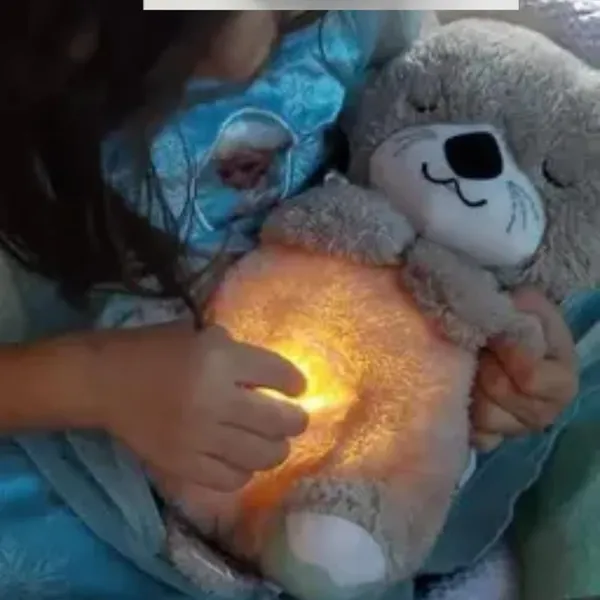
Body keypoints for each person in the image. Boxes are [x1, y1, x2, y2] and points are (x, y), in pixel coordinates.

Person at [0, 7, 578, 599]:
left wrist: (512, 329)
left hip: (359, 353)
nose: (242, 58)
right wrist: (91, 383)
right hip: (78, 430)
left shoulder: (361, 20)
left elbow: (419, 115)